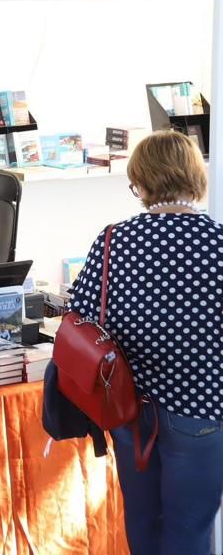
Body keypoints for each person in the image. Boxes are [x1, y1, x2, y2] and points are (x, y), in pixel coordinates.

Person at [68, 130, 223, 555]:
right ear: (194, 174)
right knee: (189, 532)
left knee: (142, 525)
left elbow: (80, 318)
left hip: (130, 407)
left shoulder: (114, 240)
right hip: (202, 408)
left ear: (141, 178)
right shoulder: (219, 242)